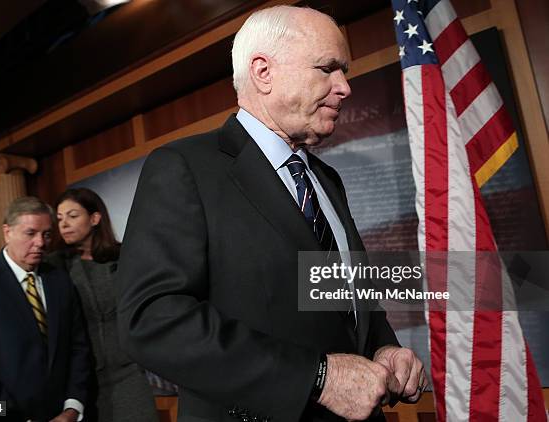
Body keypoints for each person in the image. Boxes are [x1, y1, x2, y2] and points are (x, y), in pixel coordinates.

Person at [117, 5, 427, 422]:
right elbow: (152, 320)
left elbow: (342, 300)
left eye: (345, 71)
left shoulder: (326, 180)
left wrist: (382, 348)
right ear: (263, 72)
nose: (344, 87)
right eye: (328, 68)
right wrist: (316, 378)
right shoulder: (184, 167)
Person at [0, 196, 91, 422]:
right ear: (7, 232)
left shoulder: (60, 282)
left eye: (46, 234)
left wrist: (72, 408)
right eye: (30, 233)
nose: (41, 243)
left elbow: (78, 349)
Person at [50, 188, 158, 422]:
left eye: (72, 215)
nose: (64, 224)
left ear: (95, 218)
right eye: (59, 219)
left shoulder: (124, 257)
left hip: (130, 374)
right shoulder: (56, 266)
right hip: (83, 384)